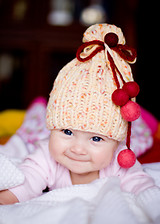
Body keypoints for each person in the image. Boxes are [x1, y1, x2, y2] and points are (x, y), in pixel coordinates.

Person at [0, 23, 155, 205]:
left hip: (134, 120)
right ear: (53, 128)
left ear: (115, 144)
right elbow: (27, 181)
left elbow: (143, 188)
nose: (77, 149)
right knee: (28, 125)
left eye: (96, 139)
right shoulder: (46, 155)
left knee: (144, 129)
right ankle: (39, 106)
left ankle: (143, 117)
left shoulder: (118, 161)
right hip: (39, 123)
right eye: (67, 132)